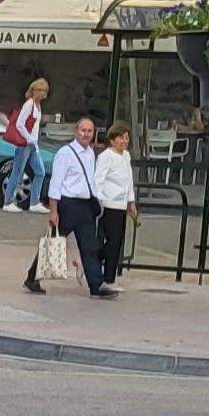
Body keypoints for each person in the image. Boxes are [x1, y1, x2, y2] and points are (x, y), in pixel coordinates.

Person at [30, 116, 101, 293]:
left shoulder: (91, 153)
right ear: (76, 132)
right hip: (68, 204)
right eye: (82, 130)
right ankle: (32, 277)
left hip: (85, 205)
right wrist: (53, 211)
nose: (86, 134)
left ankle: (96, 284)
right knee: (53, 240)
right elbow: (56, 183)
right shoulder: (65, 153)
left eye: (89, 131)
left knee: (89, 245)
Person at [90, 124, 138, 295]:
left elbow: (129, 180)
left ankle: (93, 263)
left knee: (116, 243)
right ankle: (104, 275)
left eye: (126, 137)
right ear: (112, 139)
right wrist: (100, 200)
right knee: (113, 241)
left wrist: (131, 202)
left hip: (121, 205)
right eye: (121, 137)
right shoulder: (106, 156)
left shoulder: (126, 156)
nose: (124, 141)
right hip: (109, 205)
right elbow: (98, 180)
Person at [2, 77, 50, 211]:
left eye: (44, 90)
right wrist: (29, 139)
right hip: (24, 144)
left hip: (32, 145)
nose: (42, 93)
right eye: (39, 90)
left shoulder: (37, 105)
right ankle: (8, 201)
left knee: (40, 172)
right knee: (17, 172)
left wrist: (34, 144)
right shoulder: (29, 104)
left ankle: (34, 202)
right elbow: (19, 124)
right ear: (33, 90)